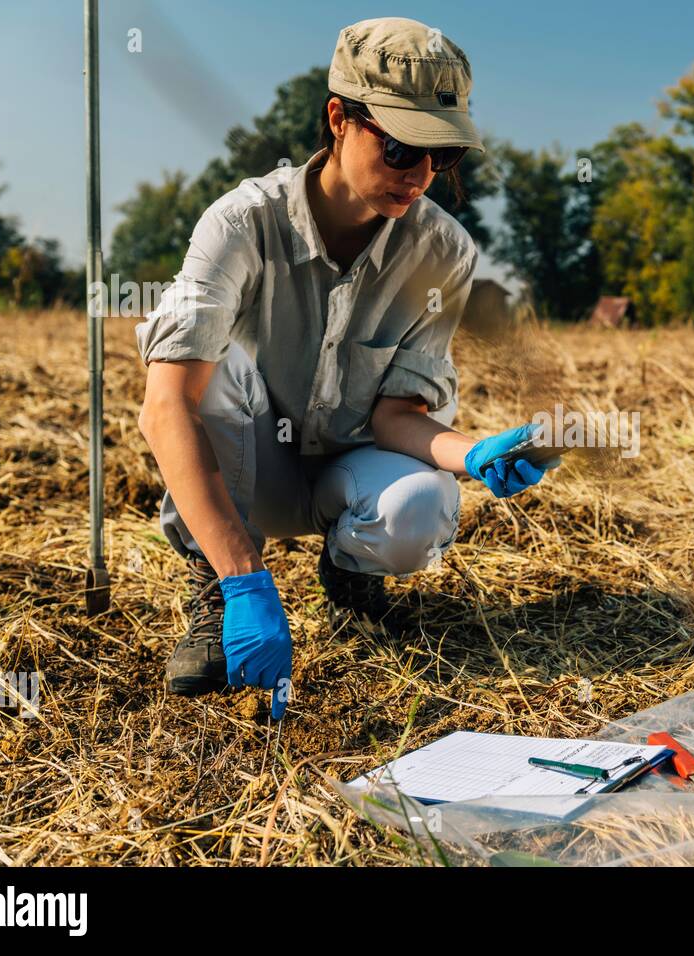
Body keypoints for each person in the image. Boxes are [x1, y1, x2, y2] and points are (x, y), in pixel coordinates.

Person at [134, 17, 555, 720]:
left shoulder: (443, 253)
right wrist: (245, 579)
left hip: (345, 470)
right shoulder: (242, 225)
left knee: (423, 503)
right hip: (249, 469)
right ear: (339, 119)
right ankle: (216, 587)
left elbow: (397, 416)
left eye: (441, 154)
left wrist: (471, 454)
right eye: (400, 147)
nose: (419, 175)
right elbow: (165, 406)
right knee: (217, 369)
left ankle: (353, 575)